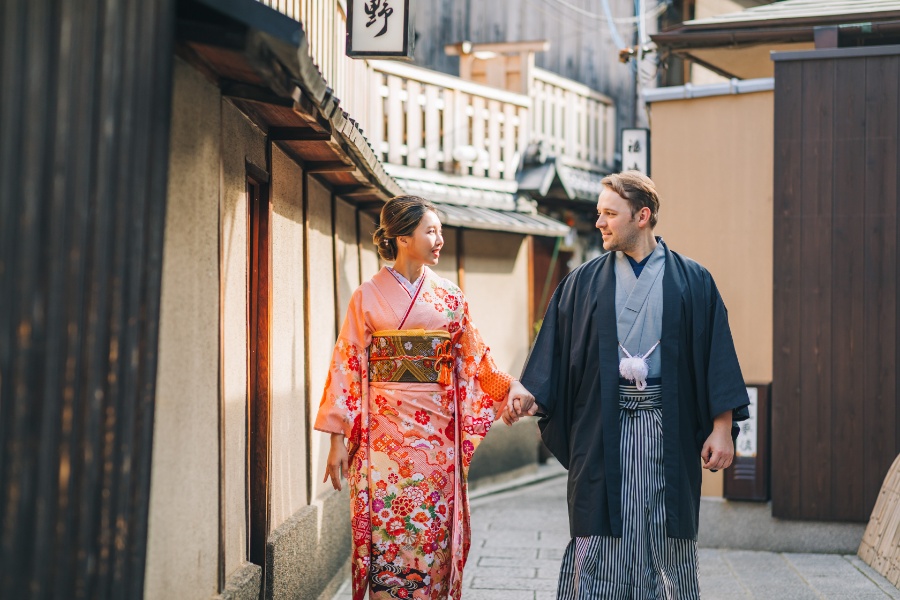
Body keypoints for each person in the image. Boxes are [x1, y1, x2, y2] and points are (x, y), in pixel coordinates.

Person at [505, 171, 750, 599]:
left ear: (643, 215)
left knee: (665, 538)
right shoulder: (581, 283)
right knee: (597, 533)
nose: (599, 222)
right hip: (602, 430)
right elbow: (554, 354)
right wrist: (531, 392)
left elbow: (717, 356)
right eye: (599, 213)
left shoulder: (693, 281)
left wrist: (722, 426)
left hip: (667, 430)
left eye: (609, 214)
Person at [315, 196, 531, 600]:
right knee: (389, 530)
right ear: (401, 238)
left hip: (437, 440)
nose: (439, 240)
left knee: (431, 531)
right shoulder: (367, 296)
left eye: (441, 232)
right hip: (383, 442)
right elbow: (347, 363)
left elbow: (475, 359)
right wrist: (337, 439)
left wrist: (509, 390)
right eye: (430, 231)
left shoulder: (450, 297)